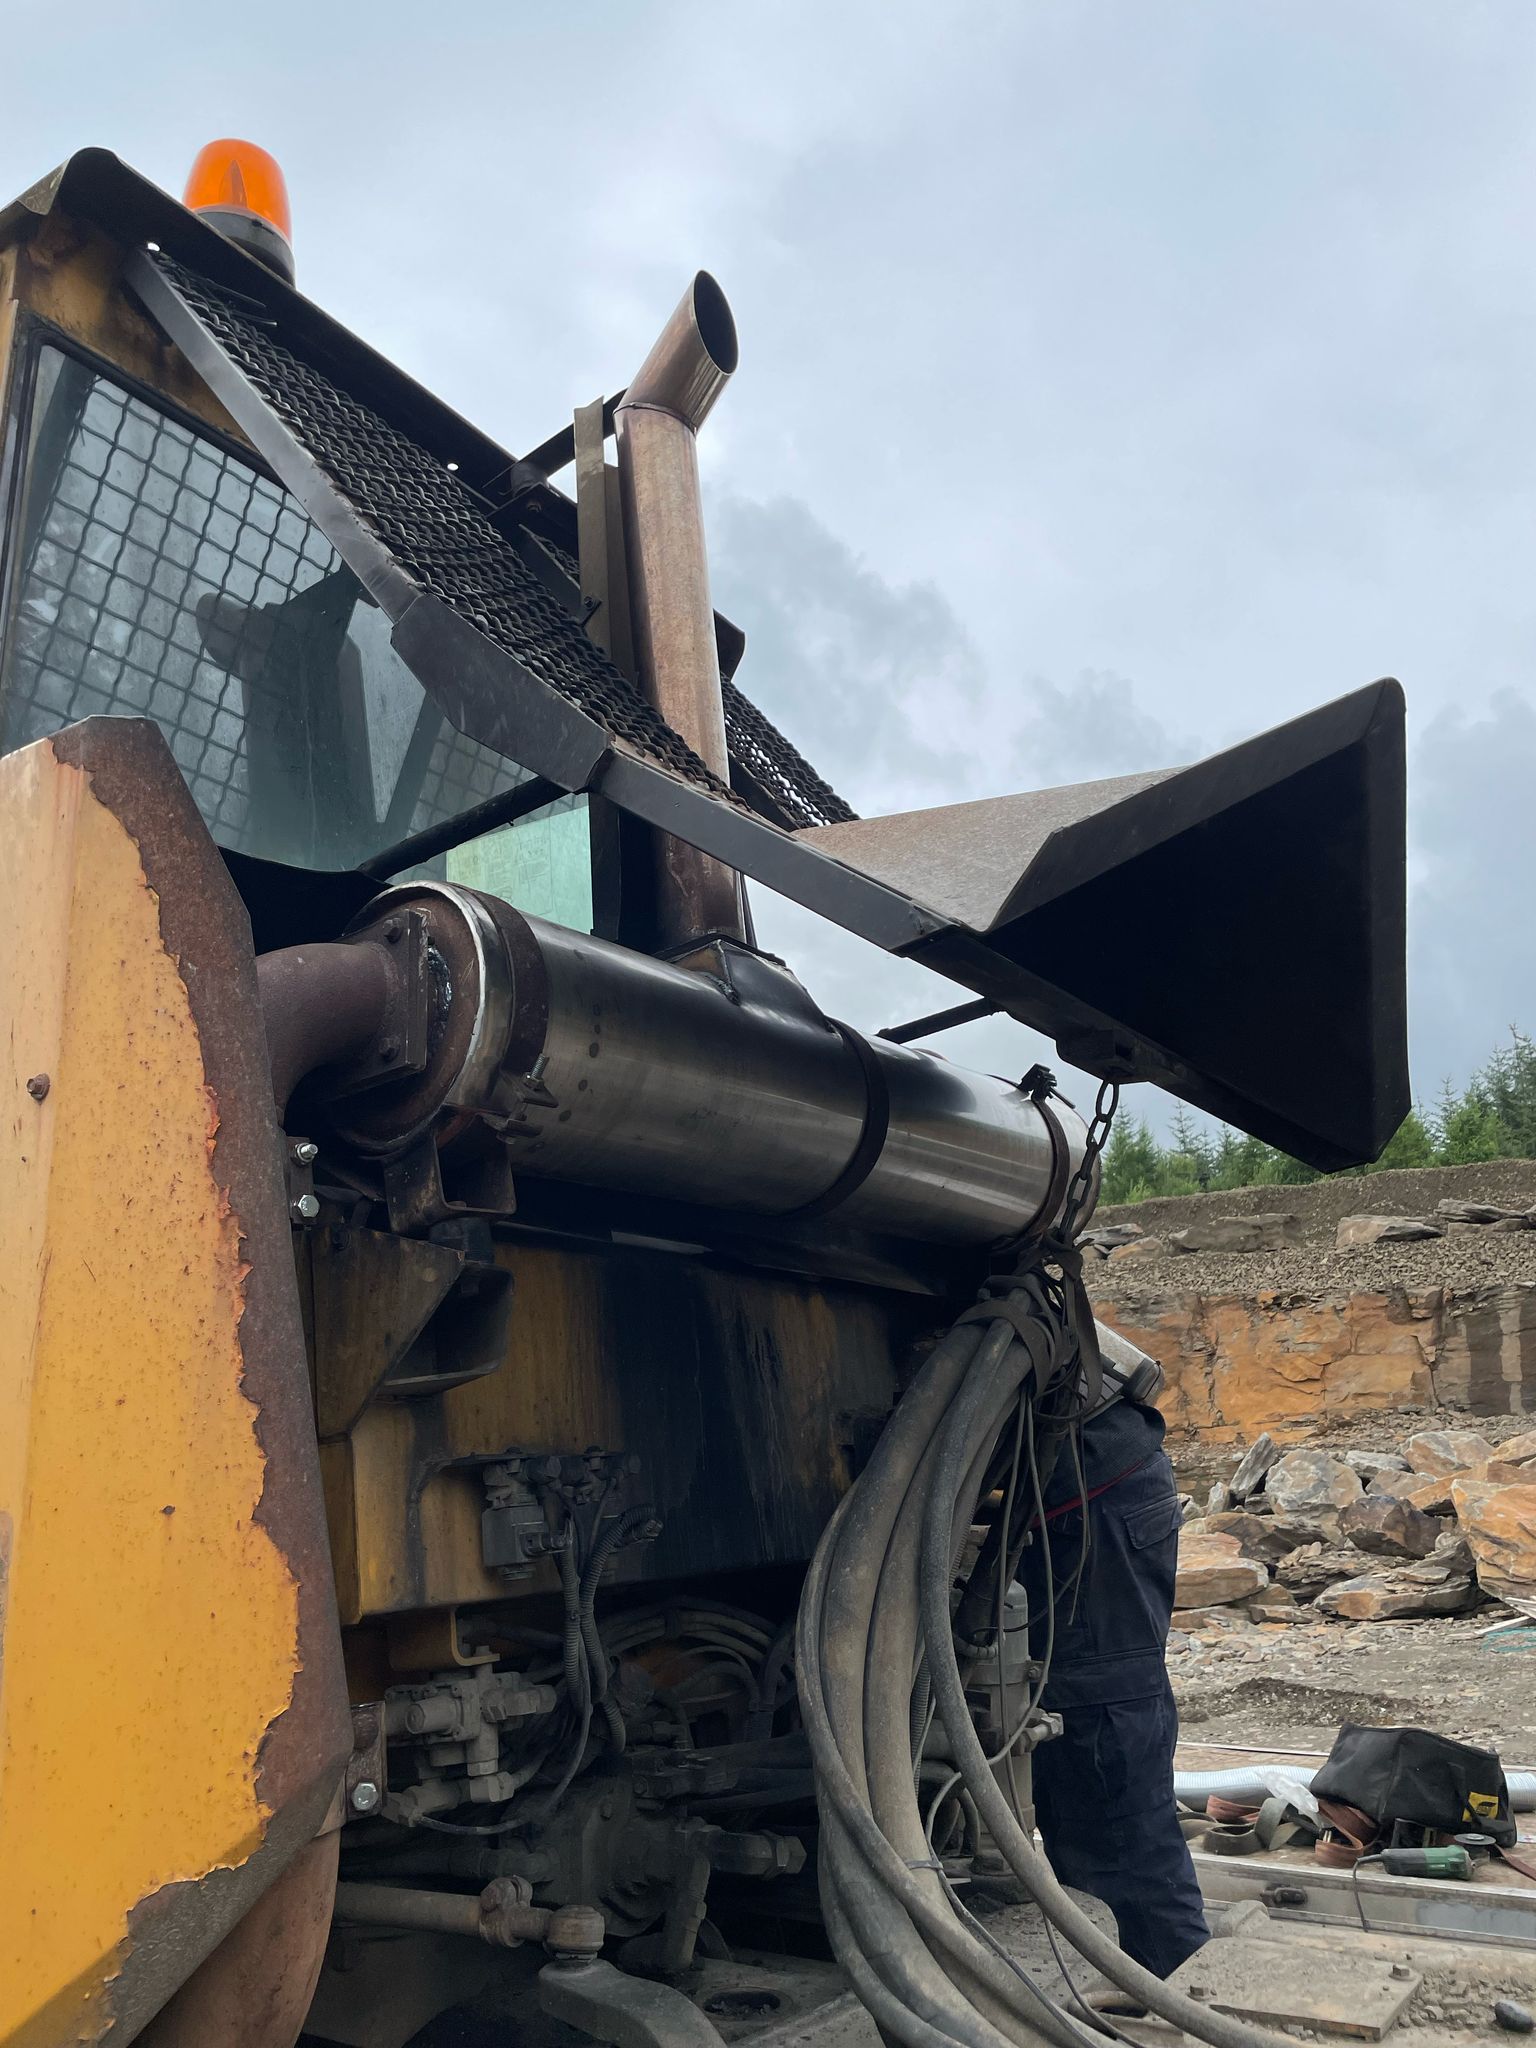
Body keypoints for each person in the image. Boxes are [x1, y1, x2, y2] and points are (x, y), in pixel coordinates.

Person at [1015, 1329, 1209, 1981]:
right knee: (1109, 1737)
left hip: (1088, 1492)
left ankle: (1170, 1994)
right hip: (1103, 1472)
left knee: (1102, 1763)